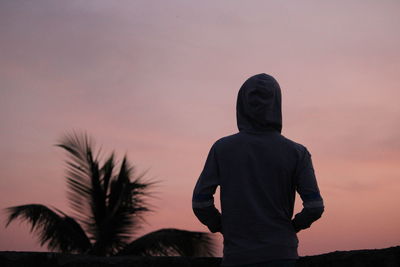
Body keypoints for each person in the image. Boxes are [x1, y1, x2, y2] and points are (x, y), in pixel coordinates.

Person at [192, 73, 324, 267]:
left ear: (242, 104)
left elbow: (201, 203)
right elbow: (314, 206)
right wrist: (292, 227)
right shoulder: (297, 152)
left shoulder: (222, 148)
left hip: (237, 256)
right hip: (282, 254)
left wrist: (221, 226)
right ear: (277, 103)